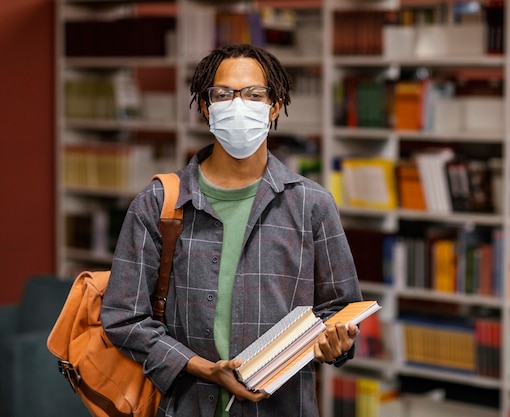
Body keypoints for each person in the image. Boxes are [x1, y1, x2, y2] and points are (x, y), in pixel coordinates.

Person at [101, 43, 363, 417]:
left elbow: (342, 311)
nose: (238, 105)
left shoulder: (311, 204)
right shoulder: (158, 202)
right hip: (185, 406)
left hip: (283, 407)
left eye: (254, 94)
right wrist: (200, 367)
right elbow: (123, 317)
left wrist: (337, 344)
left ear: (275, 105)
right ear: (206, 107)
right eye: (223, 94)